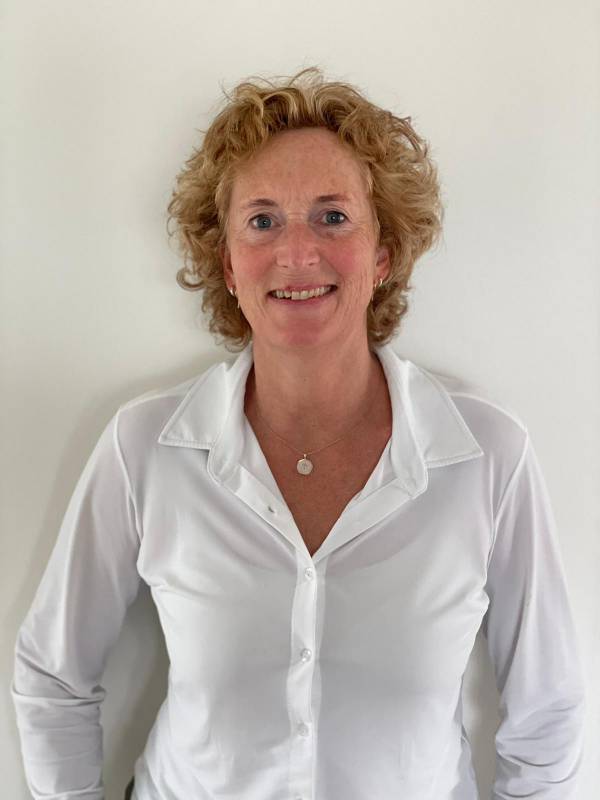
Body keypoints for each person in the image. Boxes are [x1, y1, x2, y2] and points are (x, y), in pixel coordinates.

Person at [11, 67, 585, 800]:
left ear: (383, 253)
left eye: (332, 216)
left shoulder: (487, 456)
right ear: (227, 263)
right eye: (262, 221)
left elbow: (548, 713)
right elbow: (53, 674)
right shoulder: (145, 448)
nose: (297, 253)